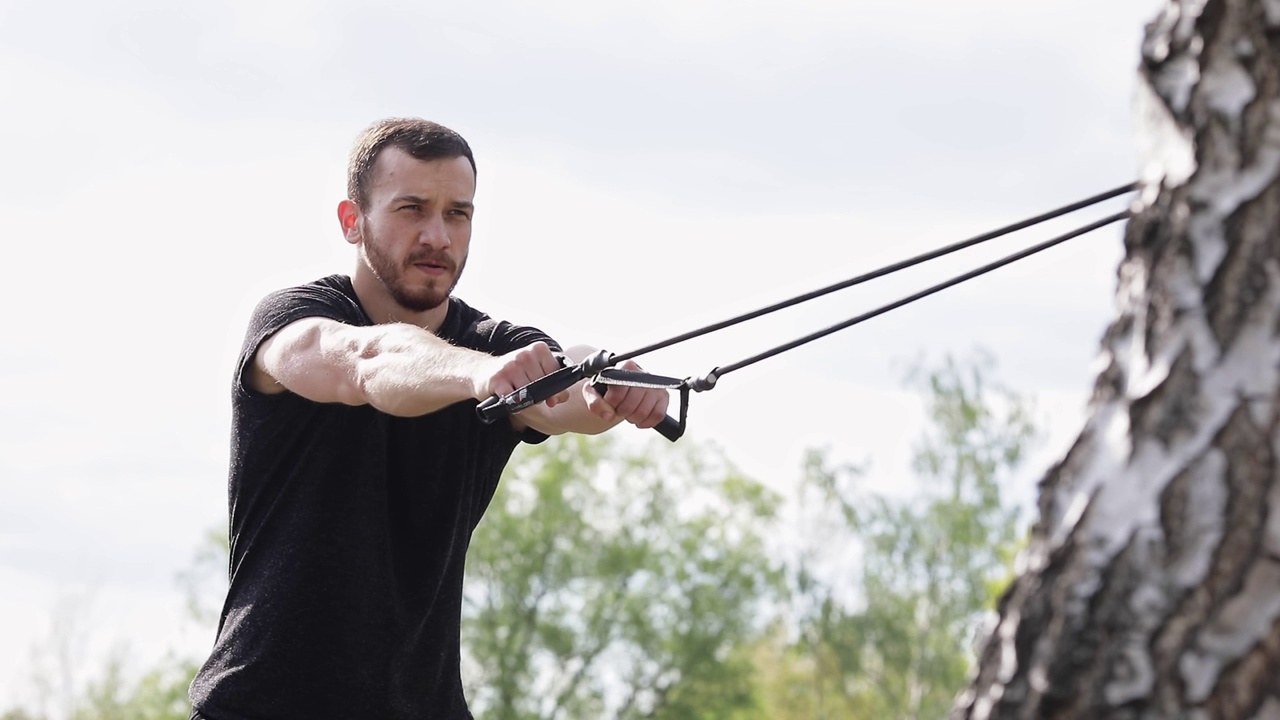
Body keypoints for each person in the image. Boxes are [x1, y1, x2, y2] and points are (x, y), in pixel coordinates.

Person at [188, 117, 670, 720]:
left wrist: (606, 383)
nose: (437, 236)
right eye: (411, 209)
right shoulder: (294, 319)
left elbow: (563, 387)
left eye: (457, 214)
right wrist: (475, 376)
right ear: (351, 220)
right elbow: (364, 364)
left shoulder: (496, 344)